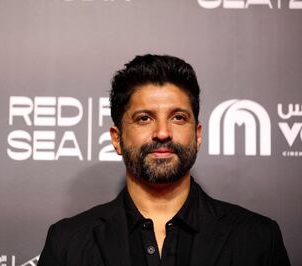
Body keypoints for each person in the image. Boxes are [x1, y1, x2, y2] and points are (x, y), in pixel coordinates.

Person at [37, 54, 290, 266]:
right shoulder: (67, 243)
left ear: (197, 134)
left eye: (178, 117)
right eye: (144, 118)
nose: (162, 132)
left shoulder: (258, 239)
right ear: (117, 139)